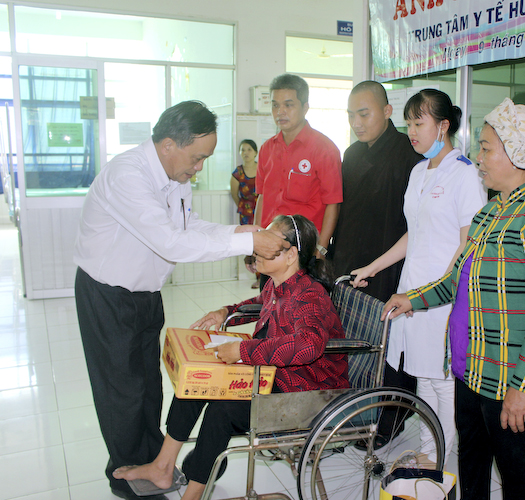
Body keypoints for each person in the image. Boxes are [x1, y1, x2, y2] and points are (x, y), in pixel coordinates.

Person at [74, 100, 287, 500]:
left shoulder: (176, 177)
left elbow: (188, 226)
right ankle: (126, 475)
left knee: (147, 386)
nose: (199, 167)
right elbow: (171, 242)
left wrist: (241, 231)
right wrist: (247, 242)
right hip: (108, 296)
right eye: (197, 157)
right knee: (121, 390)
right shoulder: (128, 175)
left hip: (144, 293)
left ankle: (156, 461)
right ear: (169, 144)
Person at [382, 97, 525, 499]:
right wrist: (412, 299)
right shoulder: (491, 213)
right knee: (472, 464)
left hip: (514, 374)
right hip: (473, 368)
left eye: (487, 149)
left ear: (518, 155)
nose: (478, 158)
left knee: (517, 472)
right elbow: (456, 280)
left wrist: (523, 387)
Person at [113, 214, 349, 500]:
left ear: (291, 255)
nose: (257, 248)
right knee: (196, 380)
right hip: (274, 378)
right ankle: (162, 467)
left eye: (268, 242)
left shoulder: (309, 295)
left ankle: (193, 495)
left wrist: (242, 351)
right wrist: (226, 312)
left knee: (222, 411)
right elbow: (260, 302)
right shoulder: (277, 283)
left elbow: (309, 345)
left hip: (305, 394)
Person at [352, 89, 487, 460]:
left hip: (443, 297)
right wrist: (374, 266)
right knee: (423, 377)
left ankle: (439, 458)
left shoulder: (465, 175)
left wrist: (436, 291)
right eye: (408, 123)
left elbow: (468, 245)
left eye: (418, 123)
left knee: (442, 381)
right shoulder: (418, 171)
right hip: (412, 289)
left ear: (442, 126)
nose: (411, 131)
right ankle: (429, 454)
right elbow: (415, 233)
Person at [331, 80, 422, 303]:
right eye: (351, 115)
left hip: (388, 261)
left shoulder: (409, 153)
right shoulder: (351, 154)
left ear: (387, 111)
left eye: (364, 114)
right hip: (348, 256)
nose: (356, 123)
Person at [255, 74, 342, 267]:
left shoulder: (324, 149)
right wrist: (255, 238)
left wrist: (321, 249)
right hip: (270, 248)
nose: (280, 112)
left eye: (288, 105)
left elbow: (333, 204)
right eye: (275, 105)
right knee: (269, 288)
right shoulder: (267, 149)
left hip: (305, 250)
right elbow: (262, 197)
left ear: (305, 107)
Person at [231, 139, 260, 288]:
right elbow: (234, 194)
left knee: (262, 242)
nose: (245, 153)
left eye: (249, 149)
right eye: (243, 150)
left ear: (255, 152)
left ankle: (264, 276)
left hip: (262, 211)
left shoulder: (262, 169)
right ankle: (256, 274)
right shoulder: (238, 172)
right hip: (246, 214)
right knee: (250, 244)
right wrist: (244, 207)